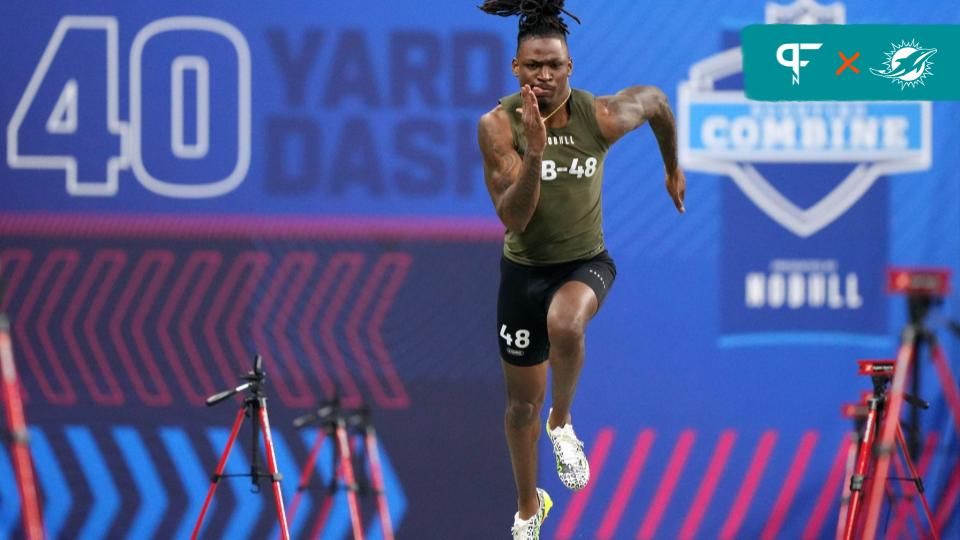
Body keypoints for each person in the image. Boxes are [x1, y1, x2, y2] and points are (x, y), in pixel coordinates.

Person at [477, 1, 686, 537]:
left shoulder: (603, 116)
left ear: (570, 66)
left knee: (566, 325)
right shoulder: (498, 127)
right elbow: (515, 218)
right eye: (532, 66)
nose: (543, 76)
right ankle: (529, 509)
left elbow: (659, 103)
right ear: (515, 69)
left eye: (553, 65)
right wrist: (536, 154)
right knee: (520, 407)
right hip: (523, 273)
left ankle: (563, 423)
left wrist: (672, 168)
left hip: (585, 261)